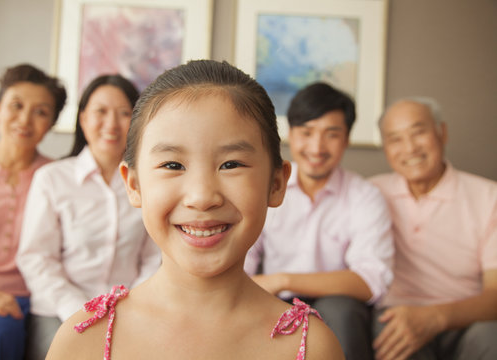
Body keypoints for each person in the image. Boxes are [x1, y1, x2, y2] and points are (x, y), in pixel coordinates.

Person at [46, 60, 344, 359]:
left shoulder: (311, 346)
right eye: (172, 165)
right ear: (134, 185)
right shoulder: (83, 341)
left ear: (276, 183)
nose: (202, 197)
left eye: (231, 164)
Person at [244, 82, 394, 360]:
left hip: (339, 309)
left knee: (340, 309)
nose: (317, 146)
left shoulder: (365, 196)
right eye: (307, 132)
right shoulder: (266, 187)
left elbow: (371, 280)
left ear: (347, 139)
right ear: (289, 135)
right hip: (273, 301)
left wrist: (282, 280)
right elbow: (244, 258)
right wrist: (266, 288)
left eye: (331, 134)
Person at [16, 74, 161, 360]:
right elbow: (36, 258)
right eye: (101, 112)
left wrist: (128, 307)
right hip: (59, 311)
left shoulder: (149, 182)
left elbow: (154, 258)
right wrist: (80, 310)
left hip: (131, 311)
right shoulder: (52, 179)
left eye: (124, 113)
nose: (111, 124)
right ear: (83, 119)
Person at [370, 97, 497, 360]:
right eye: (395, 139)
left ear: (442, 133)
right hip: (396, 315)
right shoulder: (371, 194)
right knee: (391, 332)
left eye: (418, 133)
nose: (409, 148)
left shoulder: (489, 197)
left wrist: (436, 317)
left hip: (466, 319)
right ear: (385, 148)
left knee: (490, 337)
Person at [0, 63, 67, 360]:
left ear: (52, 123)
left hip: (14, 299)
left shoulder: (56, 177)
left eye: (41, 112)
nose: (25, 120)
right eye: (16, 106)